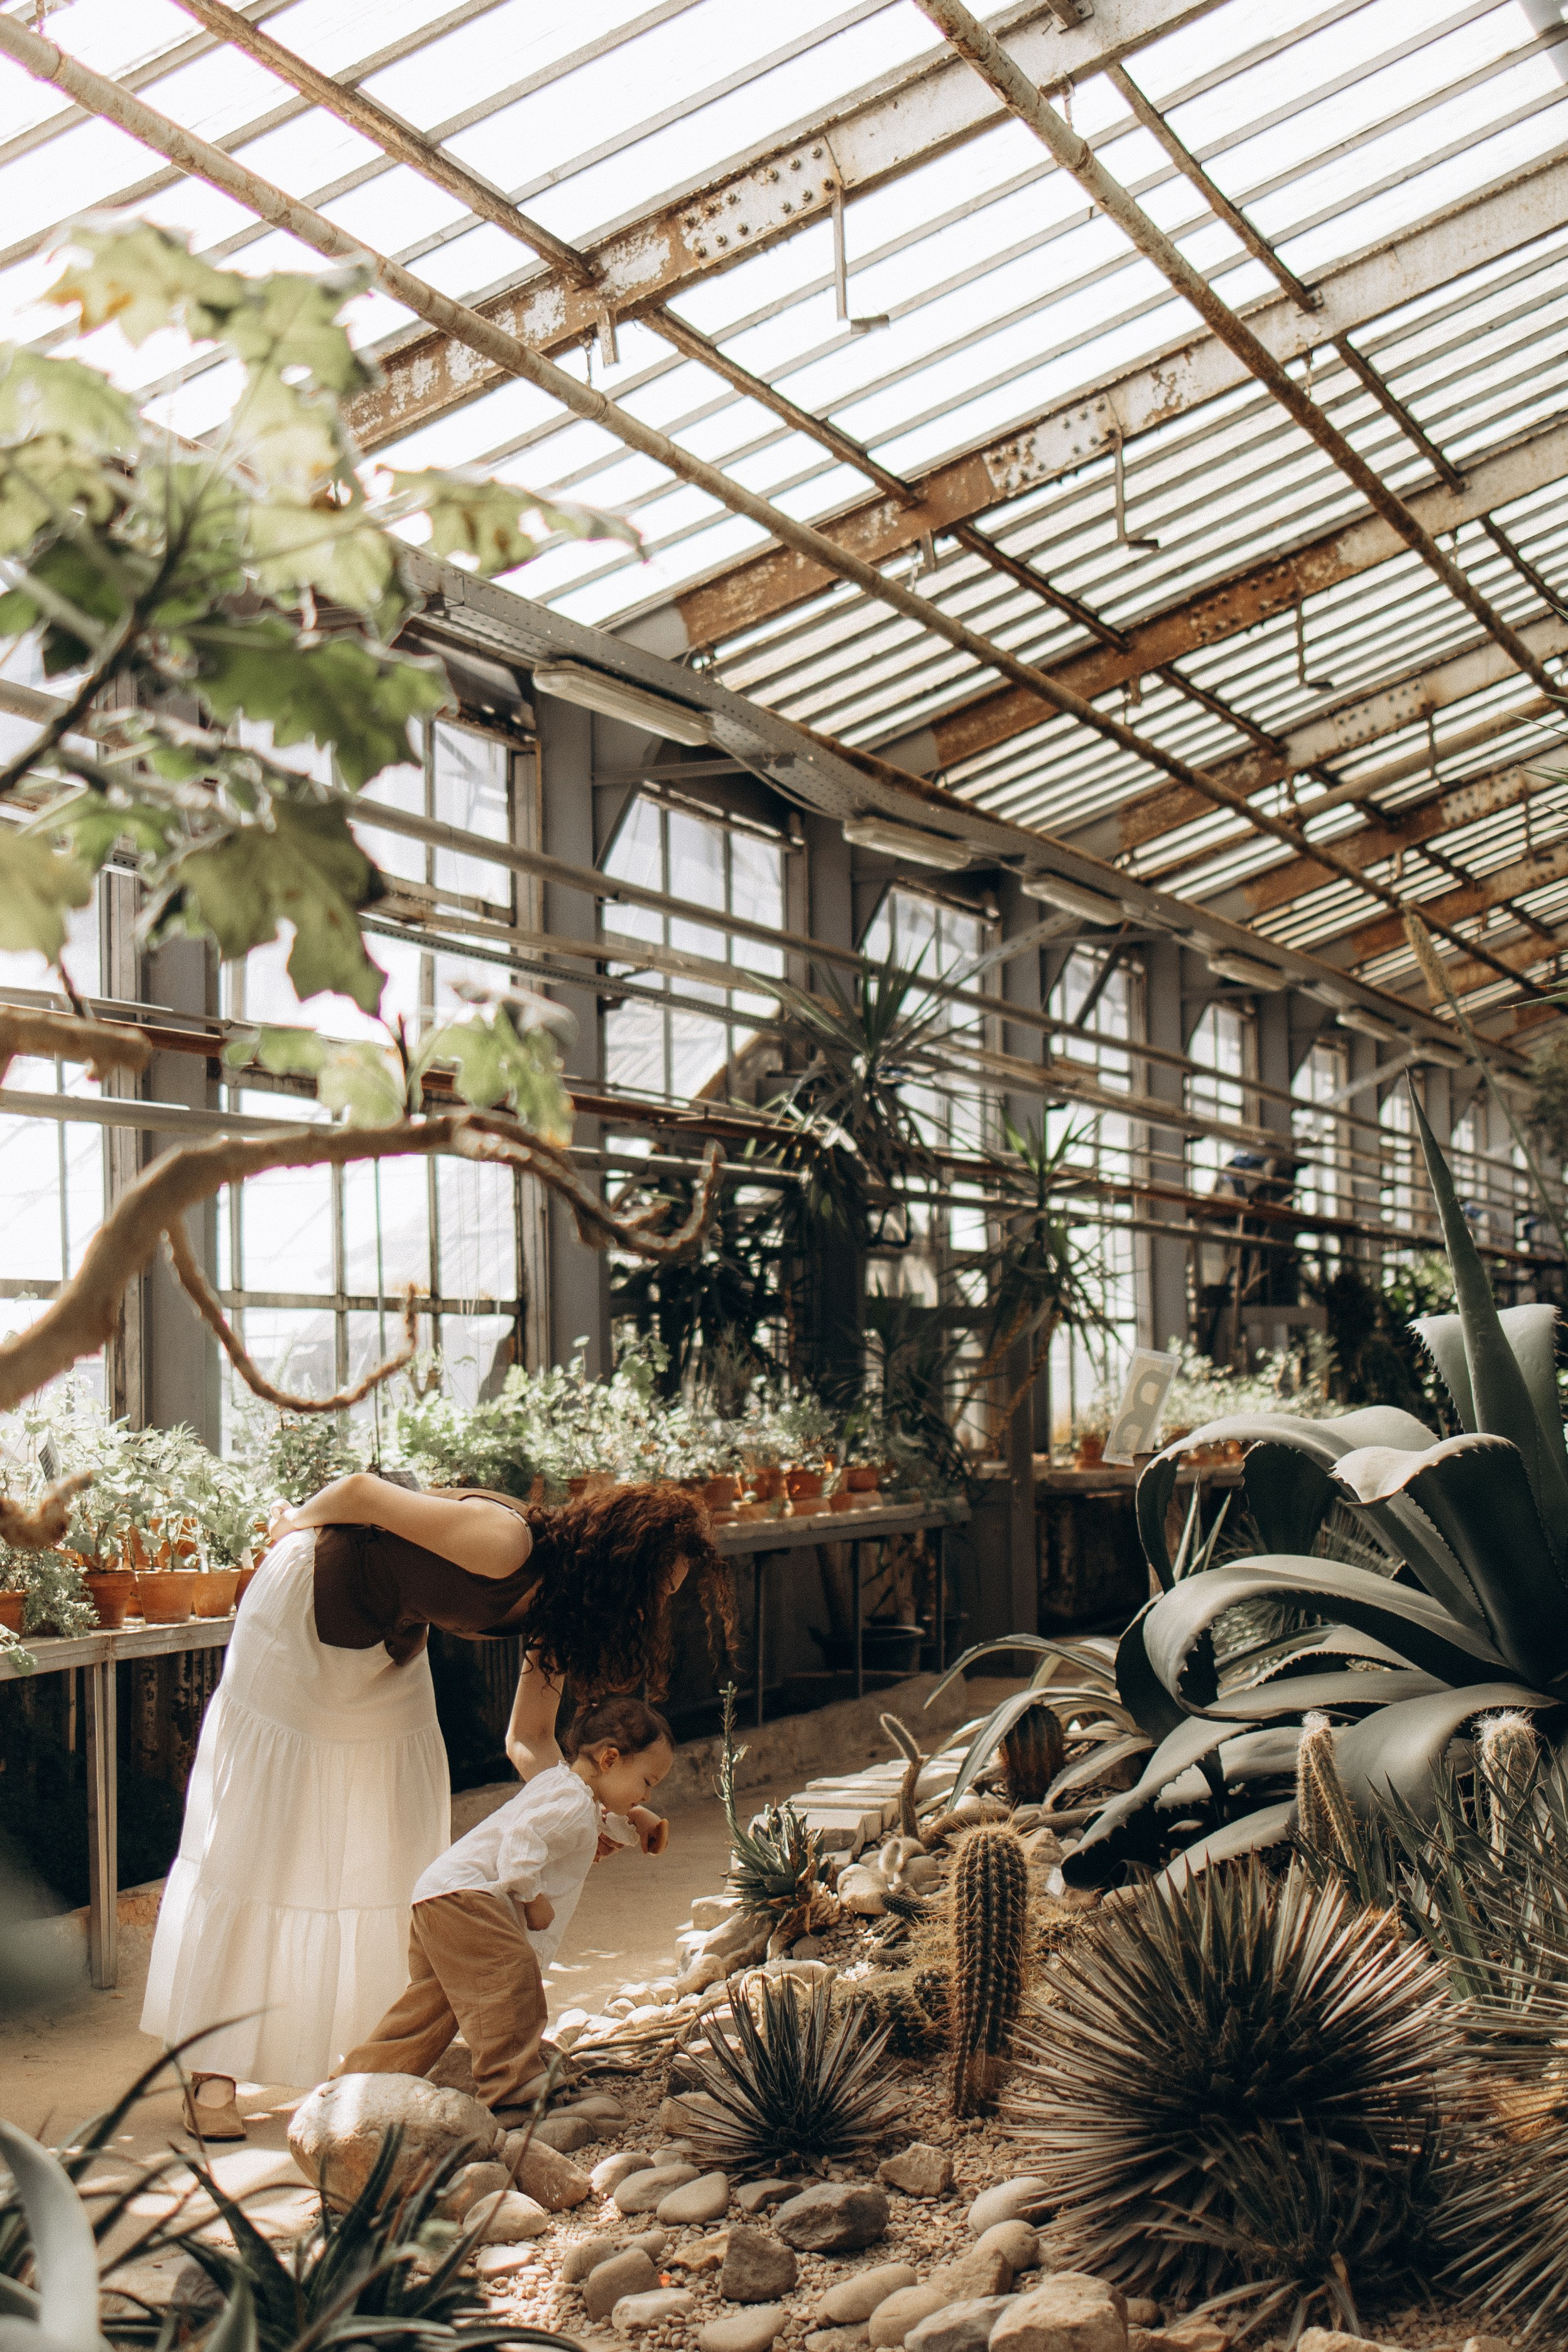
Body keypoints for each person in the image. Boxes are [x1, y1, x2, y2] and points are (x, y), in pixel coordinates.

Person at [140, 1473, 729, 2136]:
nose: (654, 1610)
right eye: (655, 1590)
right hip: (306, 1604)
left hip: (386, 1642)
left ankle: (368, 2064)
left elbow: (529, 1742)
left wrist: (609, 1815)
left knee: (394, 1828)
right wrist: (288, 1526)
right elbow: (360, 1494)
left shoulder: (560, 1610)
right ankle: (211, 2071)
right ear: (622, 1565)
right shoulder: (507, 1544)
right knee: (266, 1823)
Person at [335, 1694, 674, 2113]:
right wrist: (531, 1899)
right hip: (470, 1897)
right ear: (609, 1760)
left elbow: (590, 1826)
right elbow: (523, 1842)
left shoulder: (562, 1788)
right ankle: (512, 2089)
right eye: (647, 1782)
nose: (645, 1795)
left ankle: (354, 2088)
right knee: (511, 1976)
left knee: (431, 2008)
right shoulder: (571, 1803)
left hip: (440, 1893)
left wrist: (637, 1821)